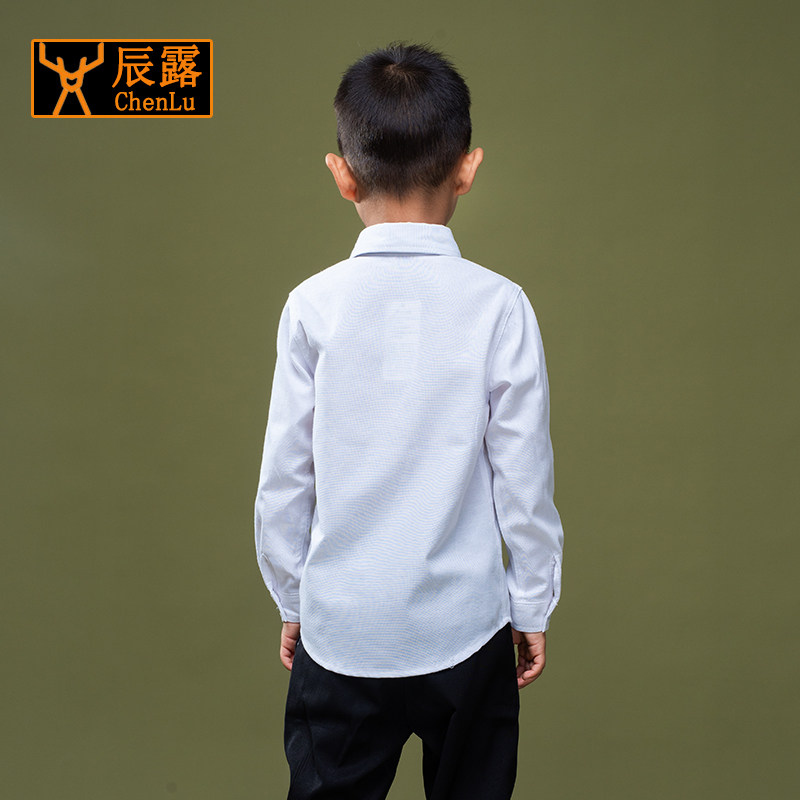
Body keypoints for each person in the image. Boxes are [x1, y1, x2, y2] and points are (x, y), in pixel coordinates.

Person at [254, 41, 564, 800]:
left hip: (343, 631)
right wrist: (531, 602)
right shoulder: (500, 305)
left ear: (343, 175)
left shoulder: (312, 306)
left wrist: (292, 597)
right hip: (468, 632)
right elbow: (524, 476)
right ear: (467, 168)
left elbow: (285, 476)